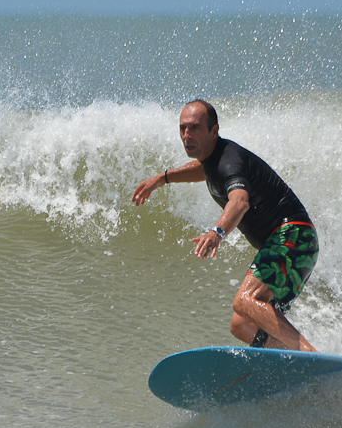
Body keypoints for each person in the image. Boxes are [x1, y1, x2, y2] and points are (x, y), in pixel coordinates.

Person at [132, 100, 319, 352]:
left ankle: (308, 354)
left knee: (246, 301)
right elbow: (203, 170)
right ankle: (292, 360)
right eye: (183, 128)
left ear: (214, 131)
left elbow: (240, 201)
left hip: (292, 235)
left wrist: (217, 232)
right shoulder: (213, 158)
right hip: (297, 243)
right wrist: (163, 178)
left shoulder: (230, 160)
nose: (187, 135)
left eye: (195, 128)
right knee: (242, 324)